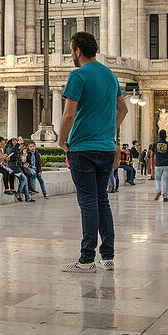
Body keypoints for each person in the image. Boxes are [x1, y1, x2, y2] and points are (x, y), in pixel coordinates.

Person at [58, 32, 127, 273]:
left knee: (87, 201)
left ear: (77, 50)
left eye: (71, 50)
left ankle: (86, 259)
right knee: (101, 200)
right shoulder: (110, 74)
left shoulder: (77, 75)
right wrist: (107, 130)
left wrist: (61, 140)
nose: (71, 55)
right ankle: (107, 256)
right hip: (106, 148)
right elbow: (123, 109)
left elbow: (68, 114)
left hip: (83, 149)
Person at [149, 131, 168, 202]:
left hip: (158, 164)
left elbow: (151, 155)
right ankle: (165, 196)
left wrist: (151, 164)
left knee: (157, 179)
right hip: (167, 164)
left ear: (158, 136)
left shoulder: (155, 144)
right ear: (166, 136)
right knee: (165, 181)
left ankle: (158, 191)